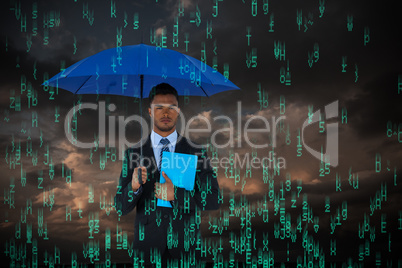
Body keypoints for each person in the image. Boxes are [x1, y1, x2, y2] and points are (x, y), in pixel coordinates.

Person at [115, 83, 221, 267]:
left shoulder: (196, 152)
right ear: (149, 111)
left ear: (178, 111)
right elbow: (119, 207)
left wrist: (176, 195)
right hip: (147, 253)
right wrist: (133, 188)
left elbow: (213, 199)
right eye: (159, 108)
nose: (166, 113)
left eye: (171, 107)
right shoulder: (133, 154)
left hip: (186, 253)